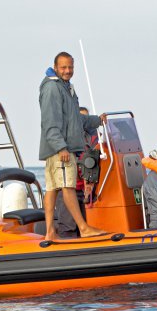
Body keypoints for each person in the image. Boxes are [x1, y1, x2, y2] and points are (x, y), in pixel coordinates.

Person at [39, 51, 106, 241]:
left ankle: (50, 232)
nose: (67, 70)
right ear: (55, 67)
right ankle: (83, 228)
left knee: (52, 188)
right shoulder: (52, 88)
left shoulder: (66, 87)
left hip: (59, 147)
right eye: (63, 67)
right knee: (67, 186)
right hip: (61, 148)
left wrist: (97, 120)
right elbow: (50, 121)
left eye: (70, 67)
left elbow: (75, 119)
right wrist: (61, 147)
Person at [53, 106, 98, 238]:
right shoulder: (65, 140)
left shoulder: (94, 139)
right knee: (68, 226)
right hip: (68, 189)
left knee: (89, 224)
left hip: (88, 191)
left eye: (86, 119)